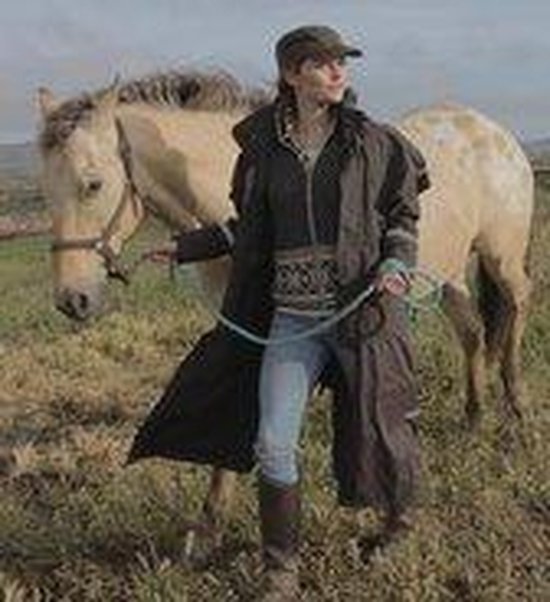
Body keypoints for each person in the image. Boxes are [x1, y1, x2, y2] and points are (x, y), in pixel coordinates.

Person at [130, 24, 430, 601]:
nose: (338, 71)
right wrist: (190, 246)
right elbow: (251, 227)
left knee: (384, 423)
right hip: (292, 322)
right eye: (322, 63)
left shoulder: (374, 142)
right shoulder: (263, 150)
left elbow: (402, 214)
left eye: (342, 62)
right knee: (272, 442)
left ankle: (399, 522)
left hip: (361, 314)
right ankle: (281, 571)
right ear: (292, 75)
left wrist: (396, 261)